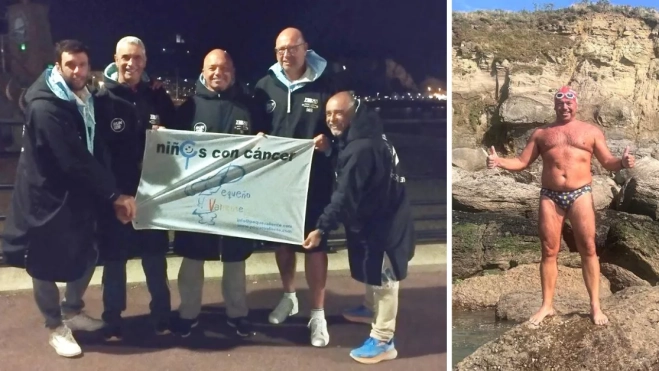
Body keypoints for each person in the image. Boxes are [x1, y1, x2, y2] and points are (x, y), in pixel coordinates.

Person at [0, 39, 137, 358]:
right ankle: (54, 325)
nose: (77, 71)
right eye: (71, 65)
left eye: (83, 65)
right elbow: (72, 158)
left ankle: (72, 309)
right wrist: (115, 194)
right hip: (44, 197)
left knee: (88, 250)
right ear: (58, 66)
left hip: (76, 192)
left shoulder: (82, 96)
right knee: (43, 263)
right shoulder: (45, 105)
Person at [487, 86, 636, 326]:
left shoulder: (591, 131)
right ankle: (547, 305)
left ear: (576, 105)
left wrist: (622, 162)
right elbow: (522, 162)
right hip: (550, 196)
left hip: (581, 194)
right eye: (560, 104)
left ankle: (595, 306)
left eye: (569, 103)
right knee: (549, 251)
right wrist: (499, 161)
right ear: (554, 105)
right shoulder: (541, 134)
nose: (565, 107)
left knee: (588, 248)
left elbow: (608, 162)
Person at [302, 92, 415, 364]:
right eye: (328, 114)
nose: (331, 119)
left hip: (386, 223)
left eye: (338, 113)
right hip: (378, 216)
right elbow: (348, 164)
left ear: (353, 112)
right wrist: (331, 151)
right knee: (371, 265)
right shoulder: (368, 135)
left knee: (386, 278)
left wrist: (321, 229)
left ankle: (384, 338)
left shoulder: (362, 148)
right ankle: (369, 308)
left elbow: (343, 194)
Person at [253, 27, 344, 348]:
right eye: (280, 50)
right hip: (278, 182)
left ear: (306, 48)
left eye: (292, 48)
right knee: (281, 242)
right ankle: (289, 296)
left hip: (315, 181)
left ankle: (317, 314)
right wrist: (258, 138)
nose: (286, 55)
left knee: (314, 245)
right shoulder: (265, 86)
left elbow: (342, 126)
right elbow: (255, 129)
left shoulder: (327, 84)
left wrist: (329, 141)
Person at [171, 49, 261, 338]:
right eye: (212, 68)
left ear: (232, 72)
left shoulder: (248, 107)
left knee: (235, 259)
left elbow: (270, 149)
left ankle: (238, 314)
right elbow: (172, 151)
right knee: (193, 258)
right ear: (203, 71)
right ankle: (188, 313)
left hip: (237, 197)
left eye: (223, 68)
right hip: (198, 198)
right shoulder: (188, 108)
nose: (217, 73)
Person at [98, 36, 177, 339]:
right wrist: (113, 194)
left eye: (138, 58)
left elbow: (181, 136)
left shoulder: (157, 96)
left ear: (145, 61)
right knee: (115, 260)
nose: (132, 63)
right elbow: (98, 150)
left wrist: (168, 133)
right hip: (117, 195)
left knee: (155, 258)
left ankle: (162, 314)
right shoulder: (102, 98)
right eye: (126, 58)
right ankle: (112, 317)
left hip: (152, 193)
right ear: (116, 59)